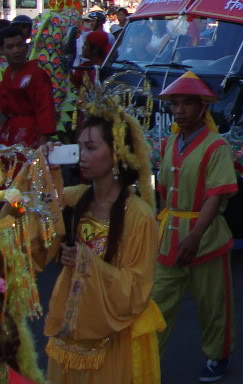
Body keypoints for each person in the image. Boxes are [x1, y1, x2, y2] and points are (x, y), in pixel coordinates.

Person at [40, 89, 165, 384]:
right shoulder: (73, 198)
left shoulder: (139, 216)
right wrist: (45, 172)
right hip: (72, 330)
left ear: (118, 152)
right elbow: (38, 223)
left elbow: (136, 289)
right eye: (79, 147)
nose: (82, 156)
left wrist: (84, 260)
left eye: (91, 148)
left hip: (114, 336)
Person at [152, 72, 238, 382]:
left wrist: (195, 236)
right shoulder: (168, 144)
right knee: (158, 301)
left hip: (207, 236)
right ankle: (147, 359)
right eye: (175, 104)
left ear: (202, 107)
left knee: (213, 302)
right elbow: (162, 191)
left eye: (186, 103)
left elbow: (216, 197)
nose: (179, 110)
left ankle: (218, 355)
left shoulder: (217, 146)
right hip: (170, 233)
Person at [0, 25, 56, 147]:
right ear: (2, 50)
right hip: (9, 133)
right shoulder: (8, 73)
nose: (16, 50)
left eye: (19, 45)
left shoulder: (36, 73)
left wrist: (43, 141)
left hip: (32, 135)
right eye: (10, 47)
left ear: (26, 46)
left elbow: (45, 109)